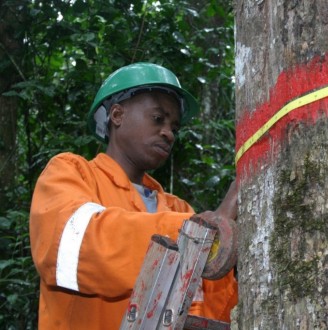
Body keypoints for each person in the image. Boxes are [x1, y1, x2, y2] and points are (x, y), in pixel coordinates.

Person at [29, 62, 238, 329]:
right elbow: (76, 249)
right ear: (117, 114)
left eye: (174, 127)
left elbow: (205, 308)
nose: (168, 133)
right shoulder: (71, 174)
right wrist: (199, 233)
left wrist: (231, 260)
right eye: (157, 119)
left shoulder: (178, 208)